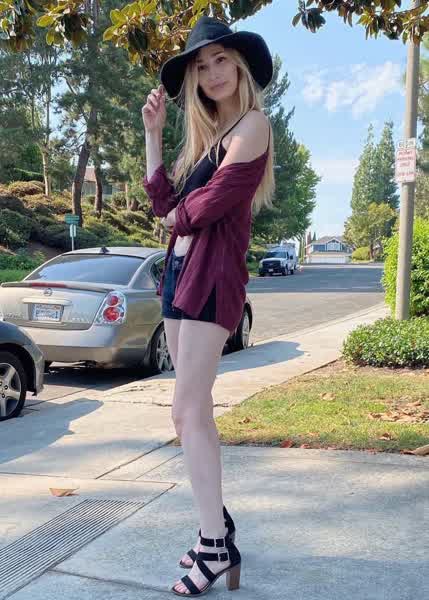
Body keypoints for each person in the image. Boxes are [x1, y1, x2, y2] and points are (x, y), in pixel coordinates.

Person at [142, 15, 275, 597]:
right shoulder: (211, 139)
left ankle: (215, 544)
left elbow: (209, 206)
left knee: (189, 410)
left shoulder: (253, 125)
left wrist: (177, 215)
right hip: (180, 273)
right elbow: (163, 204)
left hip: (213, 278)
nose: (213, 72)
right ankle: (216, 528)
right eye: (202, 65)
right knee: (187, 413)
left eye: (222, 60)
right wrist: (153, 135)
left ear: (240, 67)